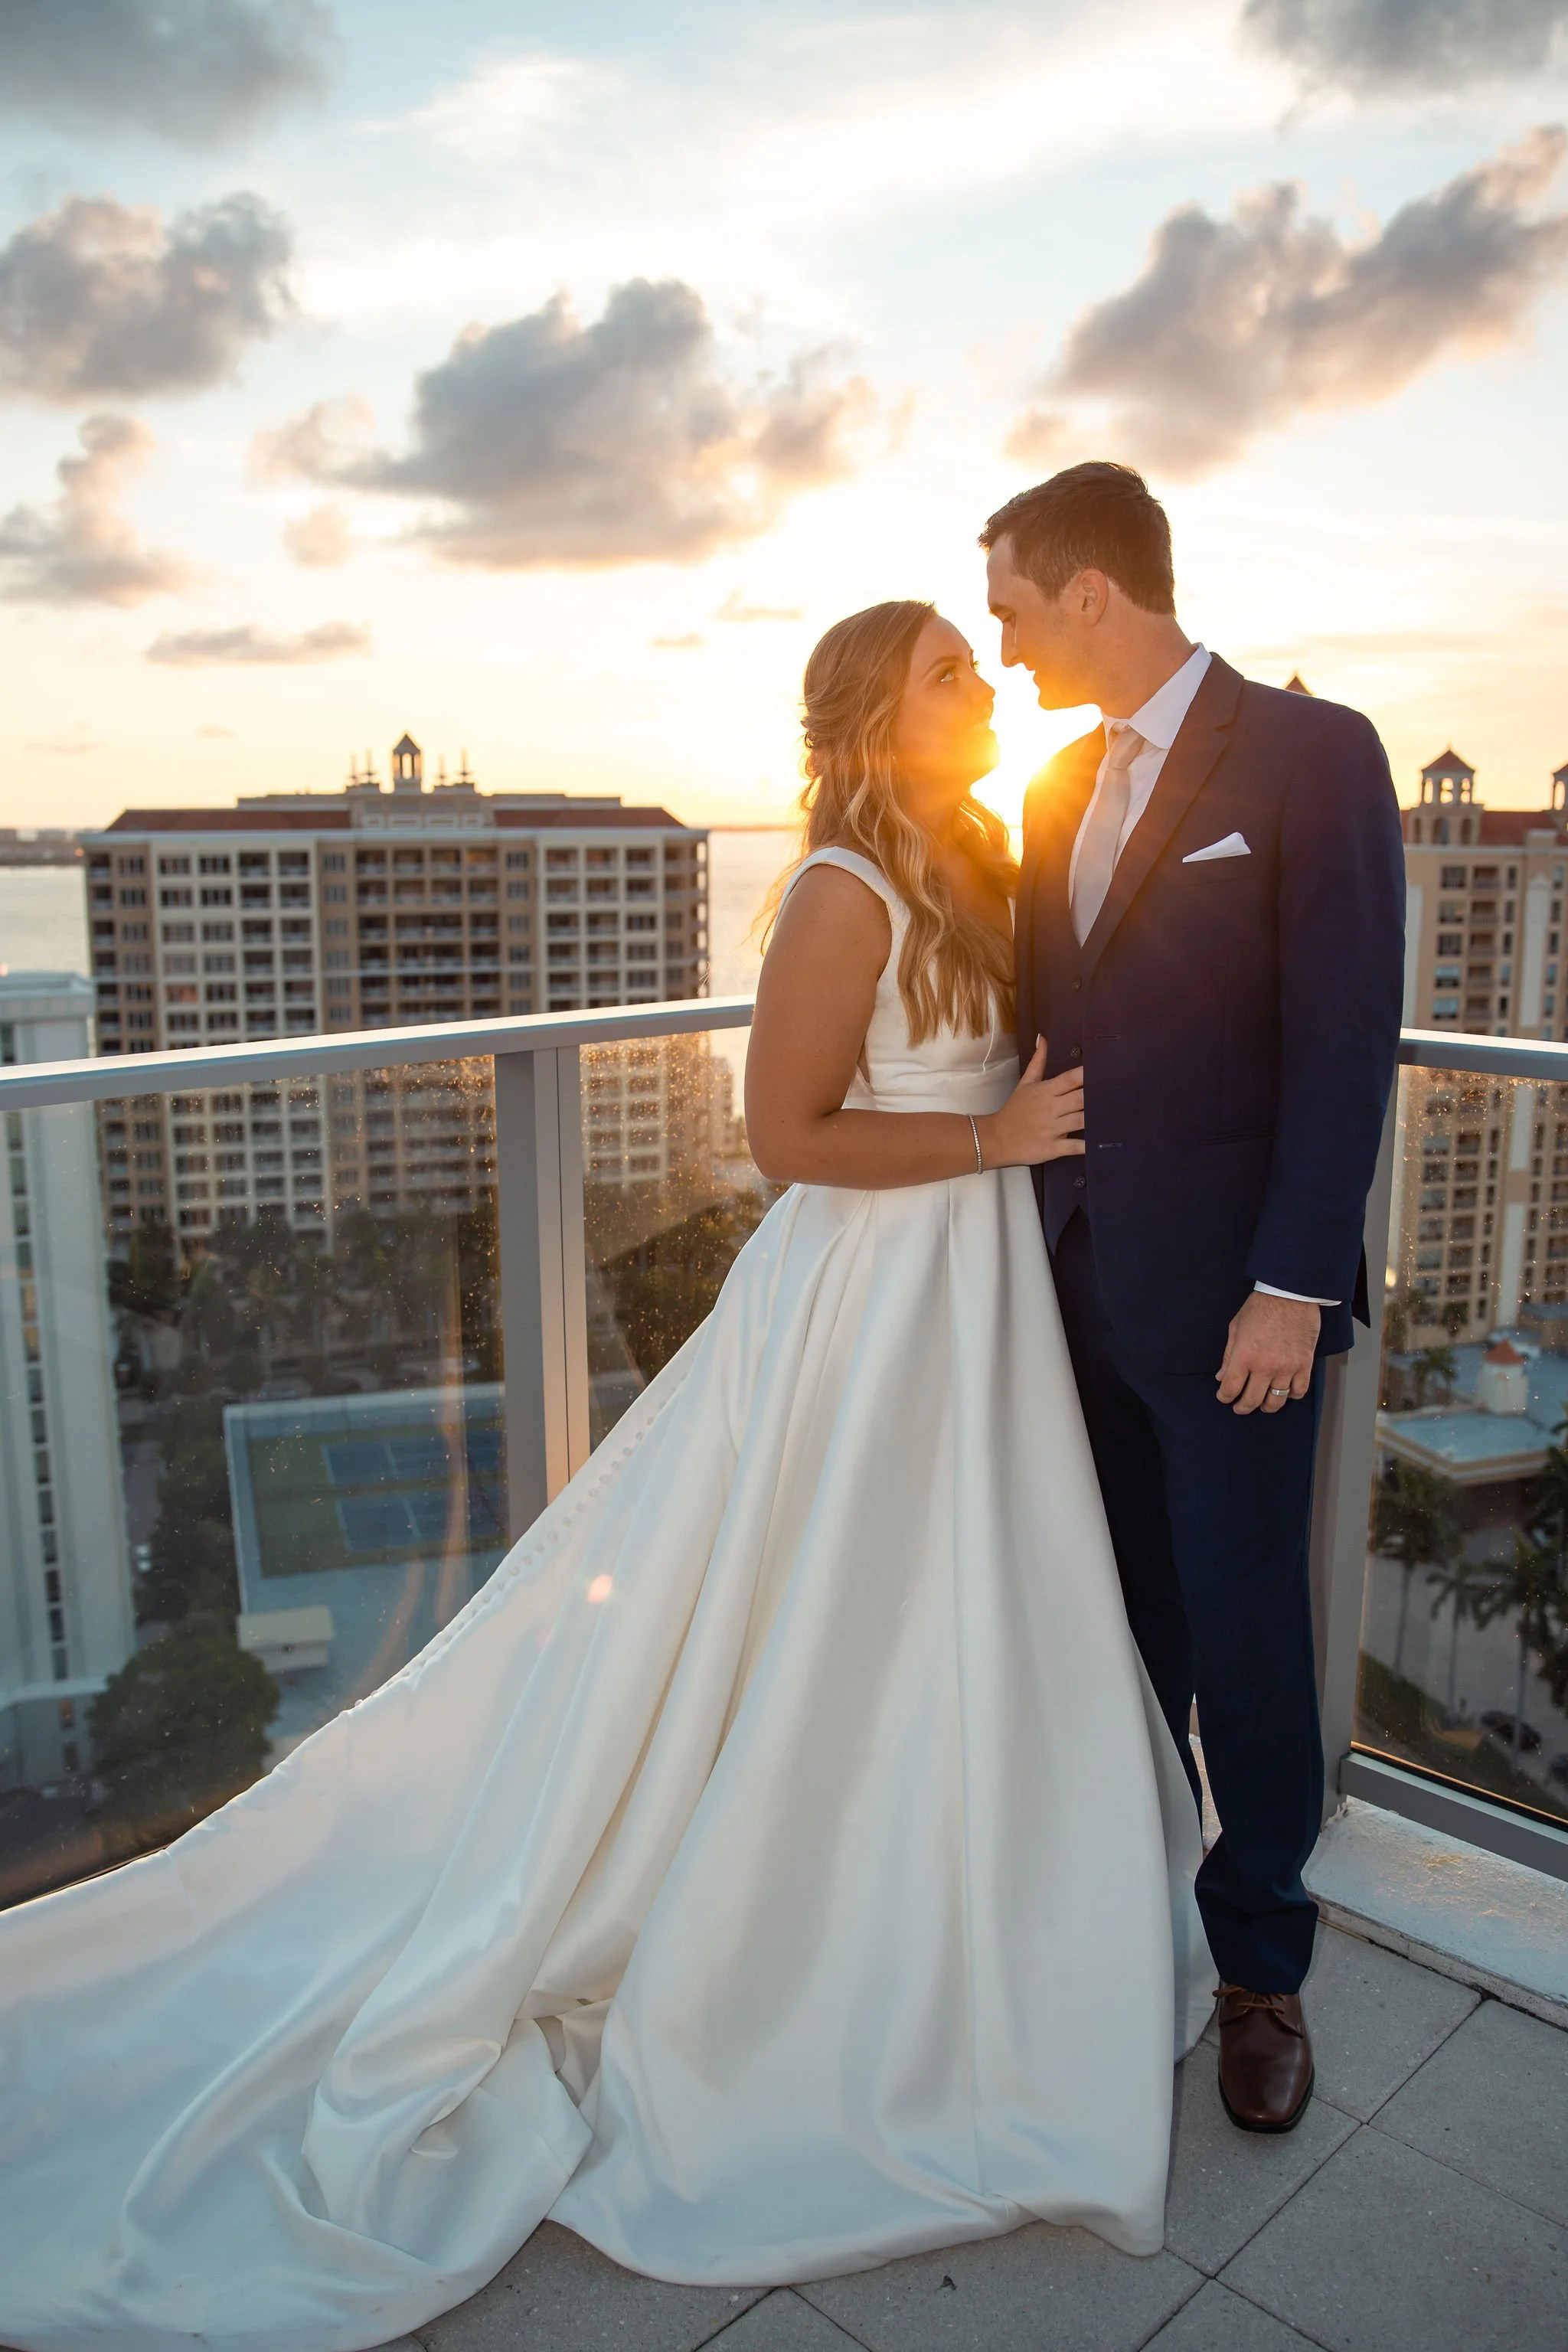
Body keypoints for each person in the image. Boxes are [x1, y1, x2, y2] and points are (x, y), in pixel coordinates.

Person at [0, 599, 1214, 2352]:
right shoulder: (836, 893)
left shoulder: (966, 856)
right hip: (870, 1310)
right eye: (952, 668)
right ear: (880, 713)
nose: (983, 686)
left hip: (974, 1304)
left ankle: (990, 1934)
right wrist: (990, 1135)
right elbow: (780, 1138)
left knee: (976, 1607)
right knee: (823, 1628)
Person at [984, 462, 1405, 2134]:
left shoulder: (1315, 755)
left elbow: (1341, 1041)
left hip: (1241, 1314)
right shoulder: (1048, 786)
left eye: (1014, 610)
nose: (1006, 652)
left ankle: (1259, 1973)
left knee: (1245, 1645)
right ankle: (1121, 1920)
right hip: (1073, 1290)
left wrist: (1290, 1287)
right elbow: (1047, 1027)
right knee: (1117, 1629)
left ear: (1094, 591)